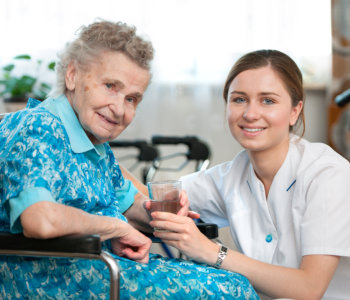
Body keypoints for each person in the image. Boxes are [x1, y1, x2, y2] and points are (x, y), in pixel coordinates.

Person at [0, 20, 259, 299]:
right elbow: (41, 220)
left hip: (102, 272)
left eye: (132, 99)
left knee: (232, 281)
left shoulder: (94, 145)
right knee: (231, 290)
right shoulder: (38, 127)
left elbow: (132, 206)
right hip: (56, 282)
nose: (119, 109)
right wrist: (115, 227)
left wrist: (164, 212)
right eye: (110, 86)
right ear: (72, 75)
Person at [147, 50, 350, 300]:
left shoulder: (327, 173)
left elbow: (309, 289)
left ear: (295, 111)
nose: (250, 114)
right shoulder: (232, 174)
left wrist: (211, 251)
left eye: (268, 100)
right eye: (239, 99)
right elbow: (147, 196)